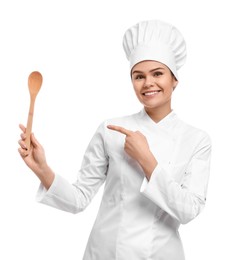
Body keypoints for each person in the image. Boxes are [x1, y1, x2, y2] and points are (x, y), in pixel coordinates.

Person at [18, 20, 212, 260]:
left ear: (175, 80)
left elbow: (189, 211)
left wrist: (147, 160)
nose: (148, 83)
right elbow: (78, 199)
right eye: (138, 76)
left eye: (158, 73)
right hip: (105, 252)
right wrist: (42, 169)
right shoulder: (111, 129)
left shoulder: (196, 139)